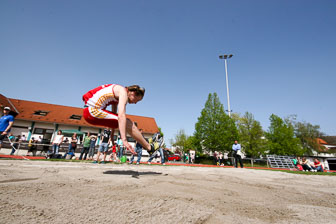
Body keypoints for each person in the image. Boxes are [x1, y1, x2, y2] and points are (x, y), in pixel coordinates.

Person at [82, 84, 159, 155]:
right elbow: (121, 116)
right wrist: (124, 140)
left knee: (125, 122)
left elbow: (114, 115)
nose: (135, 103)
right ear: (133, 93)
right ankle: (150, 148)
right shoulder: (123, 92)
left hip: (90, 110)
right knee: (128, 123)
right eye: (137, 100)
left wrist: (112, 134)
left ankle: (146, 142)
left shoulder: (118, 92)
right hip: (92, 111)